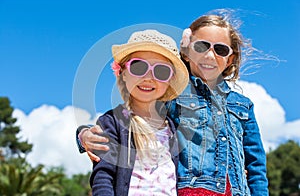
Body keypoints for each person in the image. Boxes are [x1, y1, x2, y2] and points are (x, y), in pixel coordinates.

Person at [77, 12, 268, 195]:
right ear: (186, 53)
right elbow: (134, 115)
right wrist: (83, 134)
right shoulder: (173, 96)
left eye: (220, 49)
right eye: (201, 46)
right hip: (191, 191)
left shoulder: (243, 105)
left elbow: (256, 165)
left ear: (230, 59)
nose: (210, 56)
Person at [81, 29, 189, 195]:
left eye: (161, 71)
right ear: (123, 73)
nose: (149, 77)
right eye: (139, 67)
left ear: (170, 80)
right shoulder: (112, 121)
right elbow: (103, 176)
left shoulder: (173, 128)